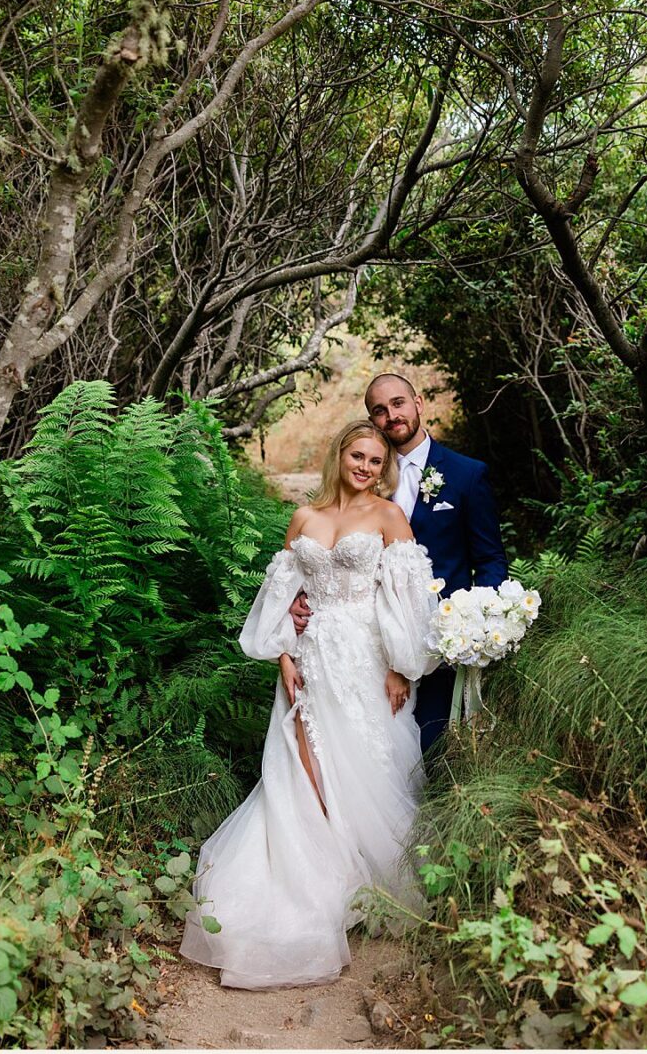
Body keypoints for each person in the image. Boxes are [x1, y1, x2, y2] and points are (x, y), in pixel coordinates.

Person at [179, 420, 441, 990]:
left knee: (371, 760)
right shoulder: (304, 517)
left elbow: (407, 598)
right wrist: (284, 656)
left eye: (376, 460)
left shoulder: (388, 517)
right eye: (358, 455)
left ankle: (368, 878)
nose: (366, 466)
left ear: (384, 467)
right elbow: (280, 597)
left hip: (368, 657)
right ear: (339, 454)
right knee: (308, 762)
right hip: (310, 655)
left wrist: (401, 665)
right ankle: (325, 871)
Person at [292, 373, 508, 752]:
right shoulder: (364, 472)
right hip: (366, 645)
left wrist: (478, 621)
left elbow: (489, 559)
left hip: (438, 642)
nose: (391, 415)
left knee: (431, 747)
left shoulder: (466, 474)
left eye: (398, 404)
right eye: (379, 410)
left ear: (418, 404)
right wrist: (299, 596)